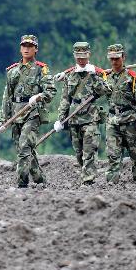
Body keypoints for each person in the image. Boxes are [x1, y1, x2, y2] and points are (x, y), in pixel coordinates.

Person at [0, 35, 56, 188]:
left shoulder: (41, 70)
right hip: (16, 115)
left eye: (30, 46)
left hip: (32, 114)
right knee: (26, 150)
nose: (26, 49)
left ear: (36, 49)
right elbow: (7, 96)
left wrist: (38, 96)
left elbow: (51, 91)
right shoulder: (12, 71)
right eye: (24, 46)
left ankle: (21, 184)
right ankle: (40, 180)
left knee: (24, 148)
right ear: (20, 48)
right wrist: (3, 120)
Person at [54, 42, 111, 185]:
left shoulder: (97, 73)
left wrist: (95, 78)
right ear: (74, 56)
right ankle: (85, 174)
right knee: (79, 153)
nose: (81, 60)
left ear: (89, 55)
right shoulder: (70, 75)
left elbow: (106, 90)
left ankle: (88, 181)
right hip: (74, 118)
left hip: (91, 117)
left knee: (89, 150)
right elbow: (65, 99)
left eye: (83, 56)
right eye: (78, 57)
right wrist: (60, 119)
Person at [105, 44, 136, 183]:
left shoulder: (132, 77)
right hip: (112, 120)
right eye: (111, 59)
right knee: (113, 154)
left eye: (117, 58)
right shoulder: (106, 77)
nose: (114, 62)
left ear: (123, 57)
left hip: (129, 120)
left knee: (135, 154)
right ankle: (111, 184)